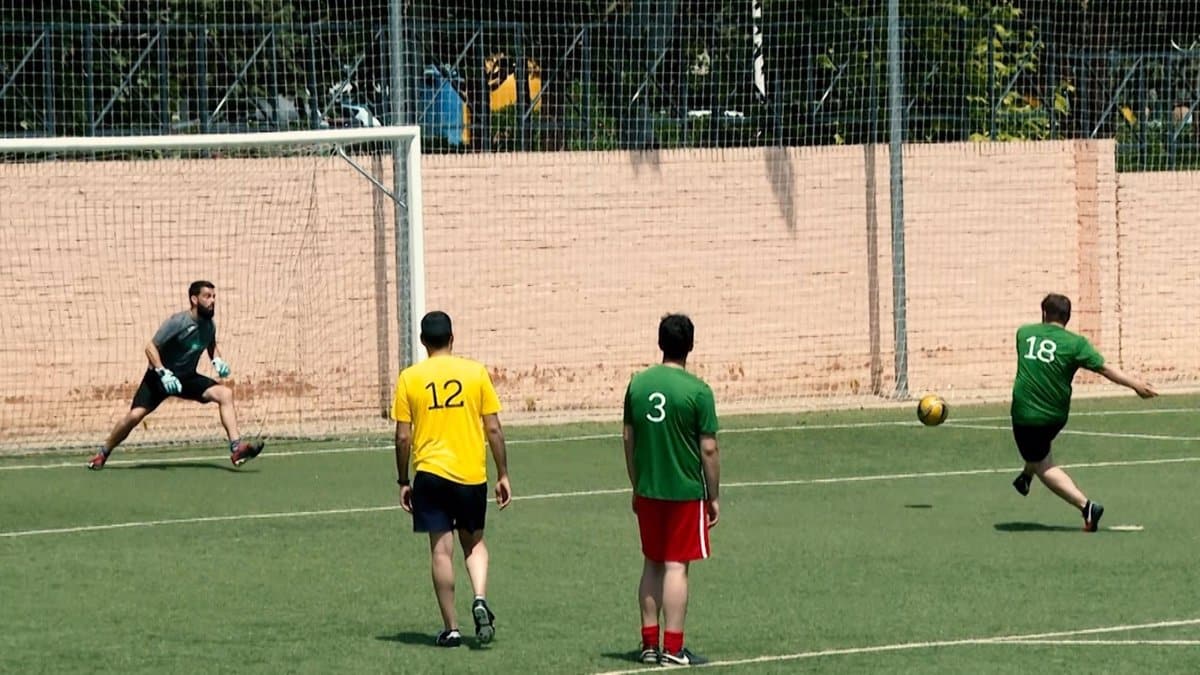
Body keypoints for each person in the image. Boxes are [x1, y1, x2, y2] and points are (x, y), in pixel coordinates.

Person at [391, 310, 511, 648]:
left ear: (422, 341)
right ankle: (480, 597)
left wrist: (403, 479)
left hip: (430, 474)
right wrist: (503, 473)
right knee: (473, 543)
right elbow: (493, 428)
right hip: (471, 474)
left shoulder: (409, 378)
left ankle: (452, 627)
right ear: (452, 338)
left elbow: (403, 437)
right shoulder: (475, 373)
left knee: (441, 552)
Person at [1010, 293, 1157, 531]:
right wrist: (1136, 385)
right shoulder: (1076, 344)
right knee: (1037, 447)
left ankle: (1086, 506)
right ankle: (1026, 477)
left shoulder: (1024, 334)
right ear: (1068, 318)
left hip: (1027, 414)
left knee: (1043, 464)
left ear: (1044, 313)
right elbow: (1105, 369)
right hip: (1056, 416)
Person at [623, 313, 720, 667]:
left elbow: (628, 439)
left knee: (652, 562)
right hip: (684, 491)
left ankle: (649, 644)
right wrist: (713, 496)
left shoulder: (637, 385)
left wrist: (636, 483)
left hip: (648, 489)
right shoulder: (698, 391)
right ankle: (674, 649)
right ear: (690, 345)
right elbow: (708, 449)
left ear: (660, 342)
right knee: (677, 566)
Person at [88, 280, 264, 470]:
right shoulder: (178, 322)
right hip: (159, 379)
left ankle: (237, 449)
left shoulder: (209, 325)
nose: (212, 301)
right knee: (134, 416)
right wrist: (163, 372)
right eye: (207, 296)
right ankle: (103, 453)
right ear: (194, 299)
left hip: (187, 378)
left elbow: (211, 346)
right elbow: (150, 347)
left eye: (214, 297)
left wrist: (217, 360)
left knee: (225, 394)